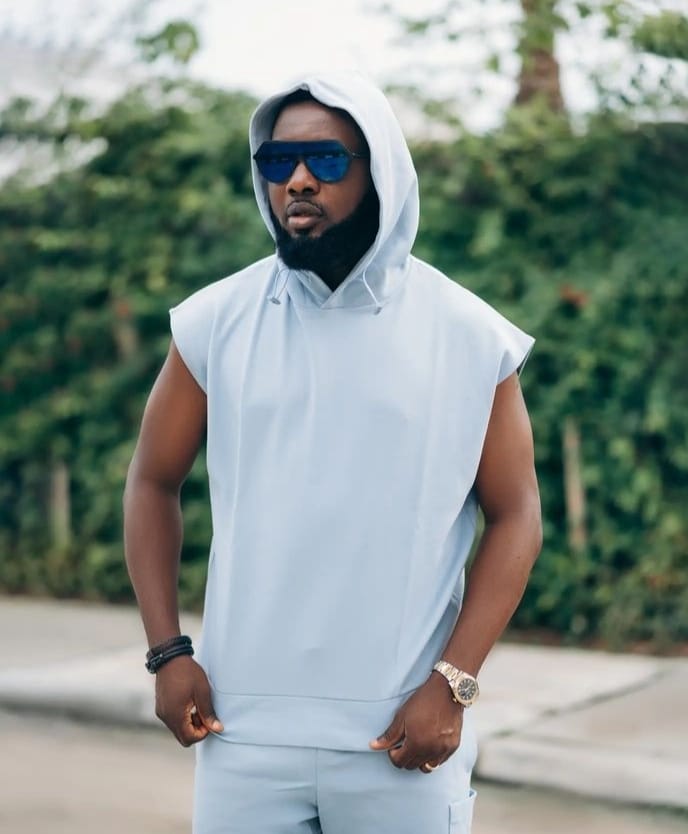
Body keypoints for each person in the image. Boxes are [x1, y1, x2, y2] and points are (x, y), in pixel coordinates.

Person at [124, 70, 542, 834]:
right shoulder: (215, 321)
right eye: (277, 162)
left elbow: (516, 515)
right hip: (242, 735)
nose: (298, 181)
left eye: (326, 160)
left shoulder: (469, 334)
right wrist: (166, 652)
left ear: (380, 170)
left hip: (402, 737)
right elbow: (152, 481)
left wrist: (454, 685)